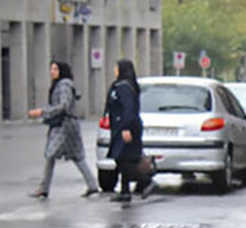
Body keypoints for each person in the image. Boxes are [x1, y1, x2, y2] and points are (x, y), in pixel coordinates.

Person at [27, 61, 99, 199]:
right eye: (51, 69)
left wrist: (42, 112)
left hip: (64, 126)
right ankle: (92, 185)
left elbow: (64, 105)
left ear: (62, 71)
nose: (52, 72)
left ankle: (44, 188)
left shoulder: (64, 85)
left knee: (52, 154)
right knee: (76, 156)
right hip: (68, 125)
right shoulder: (62, 84)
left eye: (55, 69)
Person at [105, 59, 156, 203]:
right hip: (121, 126)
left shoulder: (124, 87)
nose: (114, 70)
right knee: (123, 158)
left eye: (116, 68)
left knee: (123, 160)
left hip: (126, 127)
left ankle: (147, 182)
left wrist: (126, 128)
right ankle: (125, 191)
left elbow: (128, 108)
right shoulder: (124, 85)